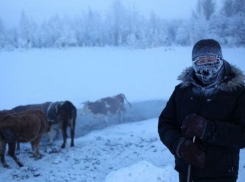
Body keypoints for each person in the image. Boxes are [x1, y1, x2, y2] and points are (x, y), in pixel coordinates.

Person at [158, 39, 245, 182]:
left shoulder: (238, 92)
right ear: (194, 62)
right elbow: (165, 124)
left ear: (220, 60)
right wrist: (180, 145)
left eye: (211, 59)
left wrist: (207, 129)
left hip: (222, 175)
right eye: (200, 61)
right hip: (186, 173)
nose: (206, 65)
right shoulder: (181, 91)